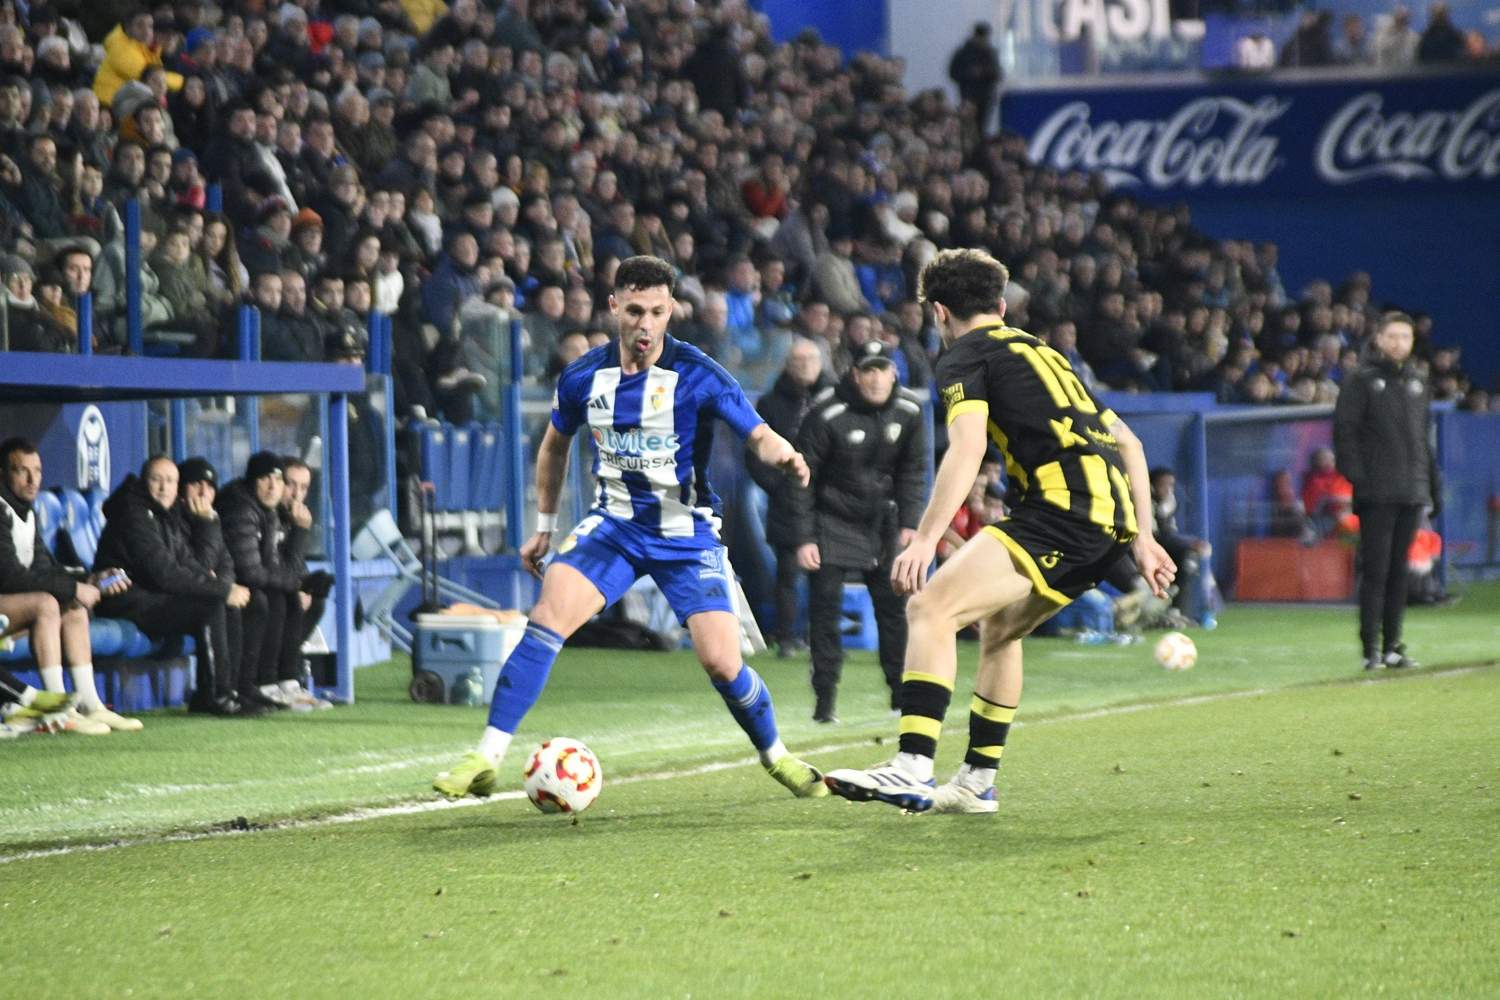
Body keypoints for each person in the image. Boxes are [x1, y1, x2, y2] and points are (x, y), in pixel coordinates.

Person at [434, 256, 827, 801]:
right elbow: (554, 446)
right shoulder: (582, 377)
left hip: (686, 534)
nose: (646, 324)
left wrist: (782, 451)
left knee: (720, 661)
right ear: (615, 306)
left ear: (672, 313)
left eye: (658, 312)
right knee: (546, 617)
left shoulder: (699, 374)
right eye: (636, 310)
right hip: (614, 526)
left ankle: (776, 754)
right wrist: (545, 526)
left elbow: (756, 431)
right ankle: (486, 755)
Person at [824, 249, 1174, 814]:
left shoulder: (965, 355)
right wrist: (1144, 537)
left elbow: (969, 448)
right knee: (1001, 630)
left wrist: (922, 538)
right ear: (1001, 305)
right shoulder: (1045, 353)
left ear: (938, 312)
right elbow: (1130, 444)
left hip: (1061, 513)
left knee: (929, 609)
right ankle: (976, 782)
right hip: (1106, 524)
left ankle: (912, 765)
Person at [792, 340, 927, 722]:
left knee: (894, 612)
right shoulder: (826, 414)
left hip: (884, 526)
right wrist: (805, 538)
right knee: (825, 614)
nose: (875, 378)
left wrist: (909, 524)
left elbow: (913, 472)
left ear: (894, 372)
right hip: (832, 523)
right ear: (855, 374)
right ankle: (824, 704)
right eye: (867, 370)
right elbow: (802, 479)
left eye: (882, 369)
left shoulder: (910, 411)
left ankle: (902, 698)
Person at [93, 455, 254, 716]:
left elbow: (189, 563)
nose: (163, 487)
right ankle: (216, 696)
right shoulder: (133, 513)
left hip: (151, 596)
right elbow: (164, 574)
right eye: (157, 480)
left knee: (223, 604)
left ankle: (228, 691)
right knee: (212, 605)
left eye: (170, 481)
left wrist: (219, 585)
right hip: (126, 598)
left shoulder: (165, 515)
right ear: (145, 482)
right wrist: (222, 590)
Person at [0, 438, 139, 734]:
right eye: (21, 470)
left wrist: (87, 581)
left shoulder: (28, 511)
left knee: (73, 609)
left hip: (10, 609)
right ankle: (58, 711)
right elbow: (9, 576)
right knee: (47, 604)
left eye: (37, 471)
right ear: (3, 473)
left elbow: (44, 569)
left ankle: (89, 704)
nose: (32, 479)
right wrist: (73, 588)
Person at [1333, 312, 1437, 671]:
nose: (1398, 343)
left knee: (1399, 572)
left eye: (1405, 337)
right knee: (1376, 571)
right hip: (1376, 493)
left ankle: (1393, 646)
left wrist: (1431, 489)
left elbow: (1424, 441)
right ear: (1378, 338)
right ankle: (1369, 650)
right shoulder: (1361, 380)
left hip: (1412, 490)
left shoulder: (1419, 381)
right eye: (1392, 336)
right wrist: (1360, 479)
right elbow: (1345, 433)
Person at [745, 337, 832, 658]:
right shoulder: (771, 403)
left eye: (810, 360)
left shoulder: (834, 398)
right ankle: (786, 637)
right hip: (787, 500)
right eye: (799, 361)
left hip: (828, 499)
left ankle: (823, 639)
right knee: (788, 572)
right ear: (788, 365)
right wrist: (779, 486)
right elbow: (754, 454)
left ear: (821, 363)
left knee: (828, 572)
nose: (805, 366)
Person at [216, 452, 307, 711]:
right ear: (252, 482)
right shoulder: (241, 508)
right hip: (226, 583)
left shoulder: (267, 512)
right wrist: (292, 583)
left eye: (277, 480)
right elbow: (251, 572)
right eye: (265, 479)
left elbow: (274, 566)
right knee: (267, 601)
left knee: (290, 598)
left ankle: (284, 680)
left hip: (241, 582)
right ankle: (256, 683)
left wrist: (300, 532)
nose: (272, 486)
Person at [274, 457, 333, 710]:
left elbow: (295, 566)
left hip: (276, 585)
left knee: (317, 594)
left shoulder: (295, 519)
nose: (297, 494)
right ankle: (279, 680)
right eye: (291, 484)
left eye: (304, 487)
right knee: (288, 600)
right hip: (255, 589)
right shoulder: (264, 515)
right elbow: (263, 567)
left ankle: (289, 678)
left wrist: (301, 586)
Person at [948, 23, 1002, 138]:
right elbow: (953, 73)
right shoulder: (963, 53)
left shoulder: (990, 53)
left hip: (986, 97)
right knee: (967, 127)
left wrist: (983, 72)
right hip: (968, 96)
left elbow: (998, 74)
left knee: (982, 128)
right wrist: (969, 74)